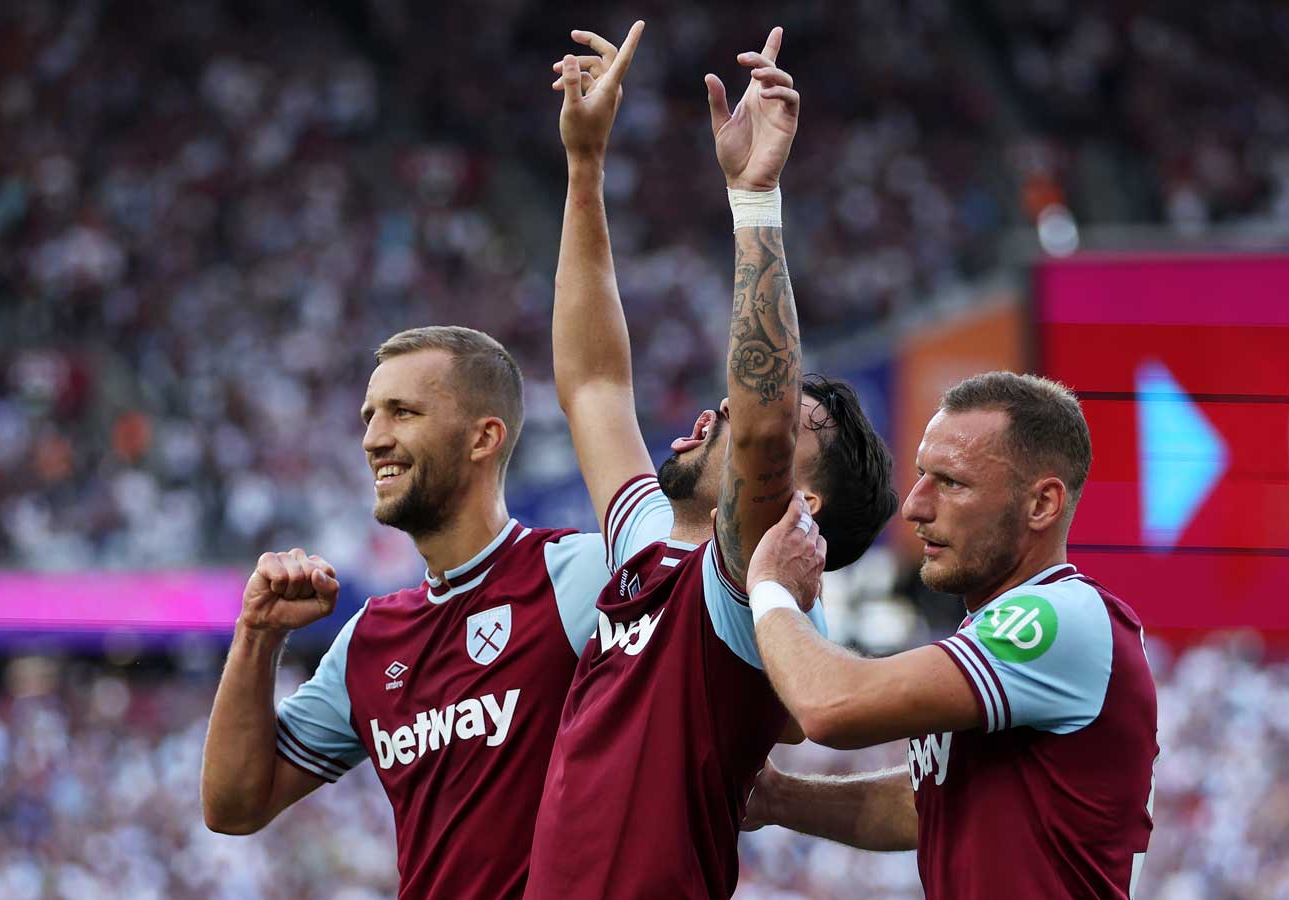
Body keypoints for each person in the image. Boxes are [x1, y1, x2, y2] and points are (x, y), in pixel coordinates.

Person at [522, 24, 896, 900]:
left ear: (797, 503)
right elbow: (593, 386)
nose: (717, 409)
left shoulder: (742, 600)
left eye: (760, 420)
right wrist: (584, 167)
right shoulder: (653, 540)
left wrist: (756, 197)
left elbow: (762, 428)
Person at [200, 326, 623, 900]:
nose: (373, 439)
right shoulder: (368, 642)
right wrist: (257, 634)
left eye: (403, 412)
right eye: (369, 416)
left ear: (483, 438)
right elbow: (233, 806)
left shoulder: (586, 574)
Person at [742, 372, 1158, 898]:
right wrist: (780, 798)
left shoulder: (1059, 615)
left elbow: (831, 706)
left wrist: (769, 584)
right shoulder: (999, 633)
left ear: (1042, 505)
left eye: (952, 482)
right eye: (920, 475)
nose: (914, 505)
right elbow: (930, 805)